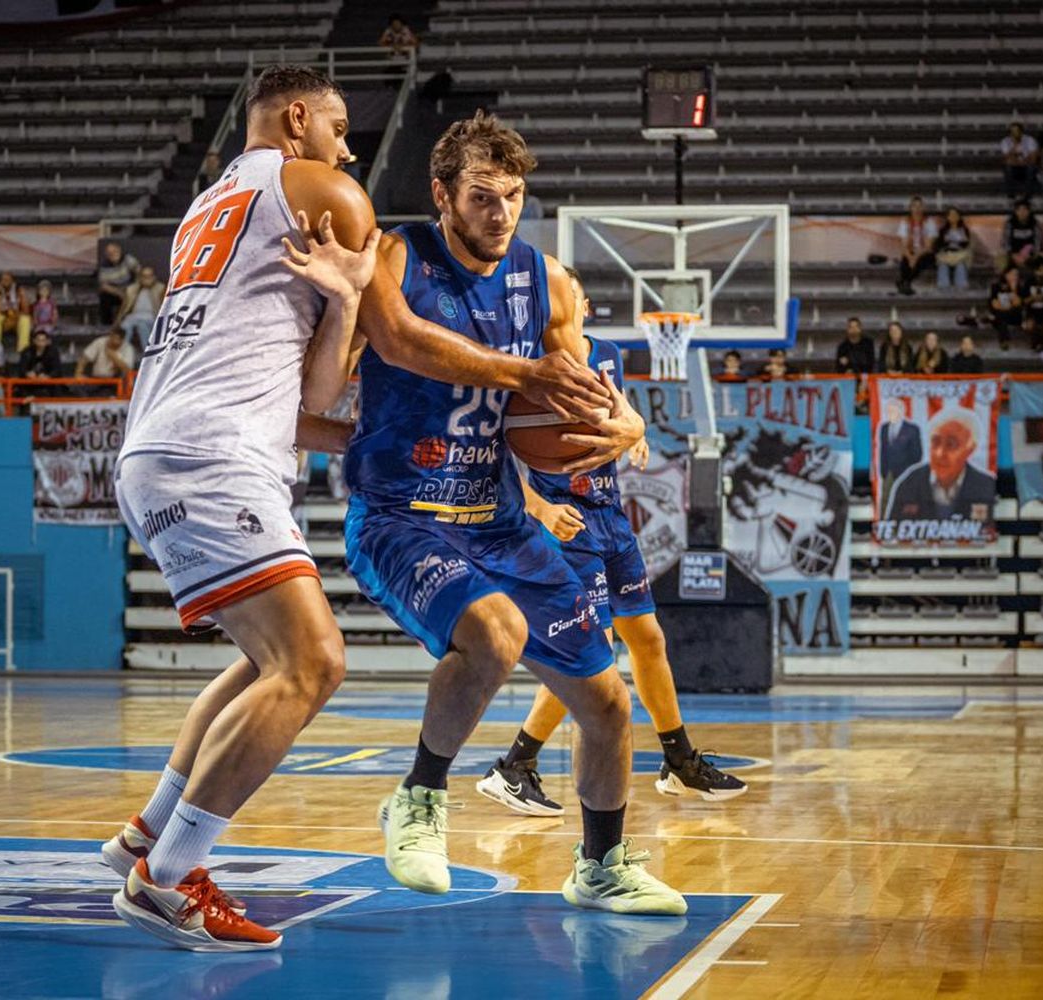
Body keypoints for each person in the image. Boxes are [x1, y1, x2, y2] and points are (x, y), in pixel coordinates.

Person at [103, 67, 613, 952]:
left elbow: (320, 389)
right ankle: (170, 876)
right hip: (213, 454)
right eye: (339, 127)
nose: (349, 149)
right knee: (314, 666)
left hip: (164, 447)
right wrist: (525, 374)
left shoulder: (204, 208)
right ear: (297, 119)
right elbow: (400, 337)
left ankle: (146, 836)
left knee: (265, 665)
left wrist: (341, 305)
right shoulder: (324, 192)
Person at [342, 111, 683, 915]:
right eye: (483, 197)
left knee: (606, 702)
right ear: (442, 196)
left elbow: (577, 389)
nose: (501, 214)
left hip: (495, 518)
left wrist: (626, 423)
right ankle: (419, 799)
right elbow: (402, 347)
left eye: (515, 197)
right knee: (495, 636)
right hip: (400, 513)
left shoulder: (548, 282)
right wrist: (524, 375)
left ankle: (600, 867)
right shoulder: (396, 257)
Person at [478, 270, 745, 817]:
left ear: (583, 303)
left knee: (646, 638)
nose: (556, 300)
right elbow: (490, 452)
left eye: (565, 291)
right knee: (593, 652)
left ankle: (679, 762)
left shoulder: (608, 356)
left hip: (610, 514)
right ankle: (515, 766)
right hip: (565, 523)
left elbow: (620, 416)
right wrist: (539, 508)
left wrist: (638, 432)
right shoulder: (523, 368)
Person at [884, 407, 996, 523]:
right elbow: (892, 533)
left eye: (951, 445)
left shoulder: (986, 486)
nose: (940, 453)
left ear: (970, 449)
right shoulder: (909, 483)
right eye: (935, 442)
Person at [877, 397, 922, 495]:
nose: (889, 414)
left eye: (892, 411)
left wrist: (908, 471)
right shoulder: (884, 428)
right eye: (888, 411)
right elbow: (883, 451)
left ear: (901, 412)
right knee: (886, 500)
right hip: (888, 474)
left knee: (905, 499)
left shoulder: (912, 429)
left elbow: (917, 455)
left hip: (905, 473)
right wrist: (883, 471)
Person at [895, 196, 938, 295]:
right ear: (910, 208)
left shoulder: (929, 222)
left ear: (923, 208)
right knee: (905, 260)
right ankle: (906, 285)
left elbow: (928, 246)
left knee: (921, 260)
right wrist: (910, 257)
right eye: (914, 206)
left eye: (920, 206)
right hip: (911, 250)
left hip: (925, 252)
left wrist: (915, 257)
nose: (917, 209)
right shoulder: (905, 222)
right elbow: (903, 245)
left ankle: (904, 282)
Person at [118, 266, 166, 348]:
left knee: (142, 326)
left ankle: (147, 352)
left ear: (154, 277)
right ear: (140, 277)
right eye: (144, 276)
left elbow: (164, 307)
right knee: (125, 326)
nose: (147, 279)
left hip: (151, 316)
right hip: (134, 316)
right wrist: (117, 321)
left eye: (149, 276)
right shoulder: (132, 289)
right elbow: (124, 307)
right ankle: (123, 352)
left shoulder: (160, 288)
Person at [97, 241, 142, 326]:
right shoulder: (104, 266)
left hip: (131, 289)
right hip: (116, 291)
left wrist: (133, 289)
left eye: (114, 251)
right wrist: (119, 293)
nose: (112, 254)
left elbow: (140, 273)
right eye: (109, 253)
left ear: (119, 250)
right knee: (104, 297)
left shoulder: (128, 259)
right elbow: (104, 286)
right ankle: (107, 325)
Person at [0, 271, 32, 354]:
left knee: (25, 319)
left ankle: (23, 350)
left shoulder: (19, 289)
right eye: (3, 280)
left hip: (17, 318)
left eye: (8, 279)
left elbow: (26, 311)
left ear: (12, 280)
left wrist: (22, 297)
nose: (6, 282)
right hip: (4, 320)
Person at [998, 122, 1039, 199]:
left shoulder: (1030, 140)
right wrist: (1013, 150)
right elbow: (1005, 160)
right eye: (1012, 131)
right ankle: (1011, 195)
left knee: (1032, 168)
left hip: (1026, 167)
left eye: (1017, 131)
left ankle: (1027, 195)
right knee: (1007, 168)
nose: (1015, 133)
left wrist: (1018, 161)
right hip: (1014, 168)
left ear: (1021, 132)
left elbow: (1033, 159)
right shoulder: (1005, 141)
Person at [999, 200, 1040, 274]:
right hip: (1013, 255)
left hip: (1029, 256)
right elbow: (1005, 242)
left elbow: (1038, 242)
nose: (1022, 212)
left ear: (1029, 211)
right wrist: (1013, 255)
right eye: (1019, 210)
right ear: (1016, 212)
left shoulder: (1035, 224)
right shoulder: (1010, 224)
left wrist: (1030, 255)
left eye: (1024, 209)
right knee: (1002, 259)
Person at [988, 268, 1025, 350]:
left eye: (1016, 275)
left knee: (1002, 316)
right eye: (1012, 274)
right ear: (1006, 274)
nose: (1014, 277)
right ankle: (1004, 341)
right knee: (1000, 317)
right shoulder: (996, 287)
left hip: (1014, 316)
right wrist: (1007, 308)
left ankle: (1004, 340)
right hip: (1001, 314)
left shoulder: (1018, 287)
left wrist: (1013, 289)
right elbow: (995, 305)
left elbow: (1017, 303)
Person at [935, 207, 972, 289]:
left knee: (960, 266)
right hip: (946, 254)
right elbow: (938, 245)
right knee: (943, 266)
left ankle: (961, 286)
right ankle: (943, 287)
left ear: (959, 217)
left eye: (955, 215)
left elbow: (966, 244)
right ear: (947, 217)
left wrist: (960, 242)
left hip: (960, 255)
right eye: (951, 215)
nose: (953, 217)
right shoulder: (943, 230)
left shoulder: (964, 230)